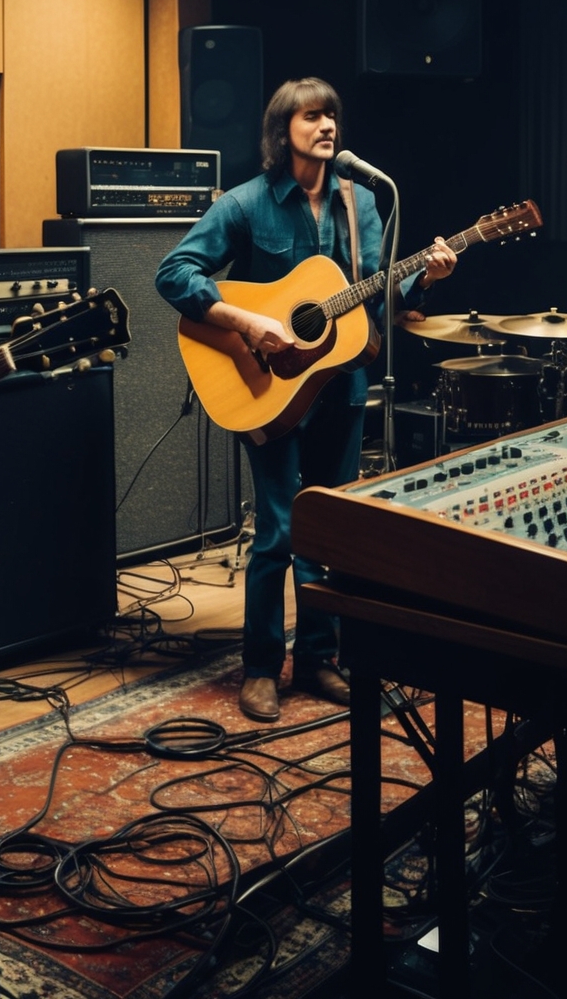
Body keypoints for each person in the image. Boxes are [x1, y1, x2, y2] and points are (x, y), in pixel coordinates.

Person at [156, 78, 456, 723]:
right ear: (281, 129)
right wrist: (246, 322)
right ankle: (261, 665)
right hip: (263, 388)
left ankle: (319, 658)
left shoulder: (362, 204)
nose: (326, 126)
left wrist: (420, 280)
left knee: (329, 527)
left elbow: (374, 297)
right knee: (279, 530)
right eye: (311, 115)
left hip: (342, 387)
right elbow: (173, 273)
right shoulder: (245, 204)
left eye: (331, 116)